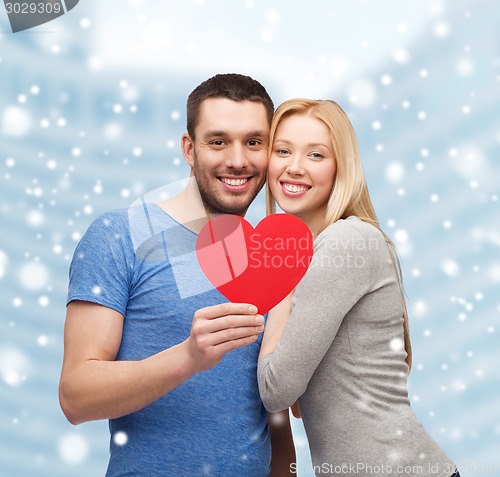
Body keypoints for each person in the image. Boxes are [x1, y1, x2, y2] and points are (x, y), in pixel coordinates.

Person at [59, 74, 295, 476]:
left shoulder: (274, 257)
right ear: (189, 148)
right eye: (218, 141)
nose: (237, 160)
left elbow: (273, 410)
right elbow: (75, 397)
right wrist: (187, 358)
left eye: (253, 142)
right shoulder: (120, 234)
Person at [257, 99, 459, 477]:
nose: (294, 167)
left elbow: (277, 390)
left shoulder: (346, 242)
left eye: (316, 154)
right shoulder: (321, 250)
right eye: (282, 151)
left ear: (340, 167)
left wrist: (279, 290)